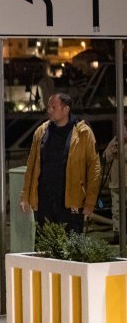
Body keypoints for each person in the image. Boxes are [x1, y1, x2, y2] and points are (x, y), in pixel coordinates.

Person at [20, 93, 101, 234]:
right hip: (45, 202)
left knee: (71, 247)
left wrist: (90, 202)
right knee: (44, 247)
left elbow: (94, 168)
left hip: (71, 203)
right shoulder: (41, 132)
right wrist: (25, 197)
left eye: (53, 107)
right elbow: (31, 167)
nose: (49, 110)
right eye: (48, 107)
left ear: (66, 109)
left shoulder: (83, 133)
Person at [104, 121, 127, 244]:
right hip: (116, 183)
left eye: (123, 129)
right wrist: (112, 150)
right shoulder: (114, 141)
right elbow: (105, 157)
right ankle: (117, 234)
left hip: (126, 183)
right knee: (116, 211)